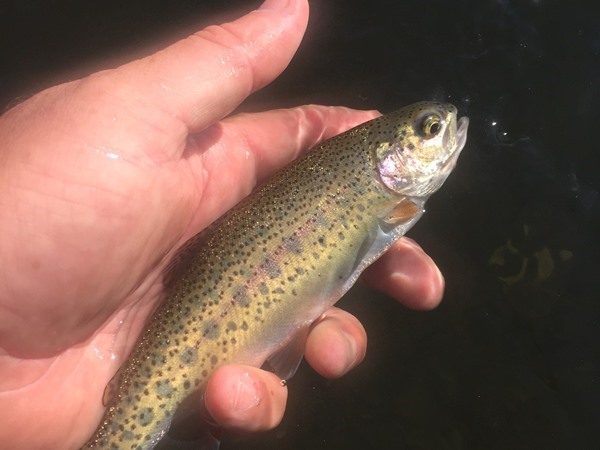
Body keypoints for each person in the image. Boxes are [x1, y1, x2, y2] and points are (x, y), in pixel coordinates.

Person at [0, 0, 444, 448]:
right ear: (387, 156)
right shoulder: (392, 201)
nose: (441, 129)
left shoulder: (382, 192)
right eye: (429, 129)